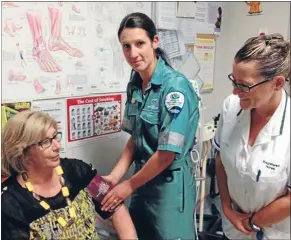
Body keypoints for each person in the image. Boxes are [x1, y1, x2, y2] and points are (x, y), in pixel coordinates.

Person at [101, 12, 200, 240]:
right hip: (142, 179)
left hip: (169, 187)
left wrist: (128, 185)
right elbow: (136, 137)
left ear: (155, 42)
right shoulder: (135, 84)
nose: (133, 53)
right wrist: (115, 176)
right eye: (126, 46)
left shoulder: (175, 88)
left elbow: (166, 155)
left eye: (139, 44)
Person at [1, 111, 137, 240]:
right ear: (23, 151)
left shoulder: (77, 170)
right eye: (45, 142)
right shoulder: (10, 201)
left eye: (55, 136)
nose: (57, 146)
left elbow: (115, 206)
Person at [214, 33, 290, 240]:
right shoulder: (231, 106)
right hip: (233, 229)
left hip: (274, 233)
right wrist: (227, 207)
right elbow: (220, 159)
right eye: (234, 80)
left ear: (277, 83)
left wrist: (251, 222)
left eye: (244, 85)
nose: (236, 92)